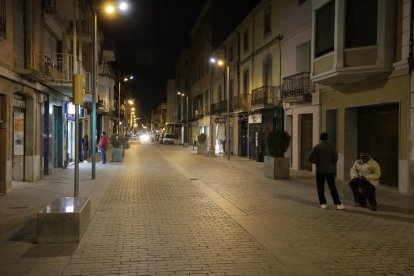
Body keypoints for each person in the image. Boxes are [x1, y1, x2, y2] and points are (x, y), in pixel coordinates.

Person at [308, 132, 345, 210]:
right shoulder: (331, 147)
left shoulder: (316, 147)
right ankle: (338, 203)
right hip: (329, 170)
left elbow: (310, 158)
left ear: (320, 138)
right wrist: (332, 163)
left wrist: (317, 162)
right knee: (332, 187)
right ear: (327, 138)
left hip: (320, 171)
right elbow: (336, 157)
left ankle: (323, 203)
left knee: (320, 187)